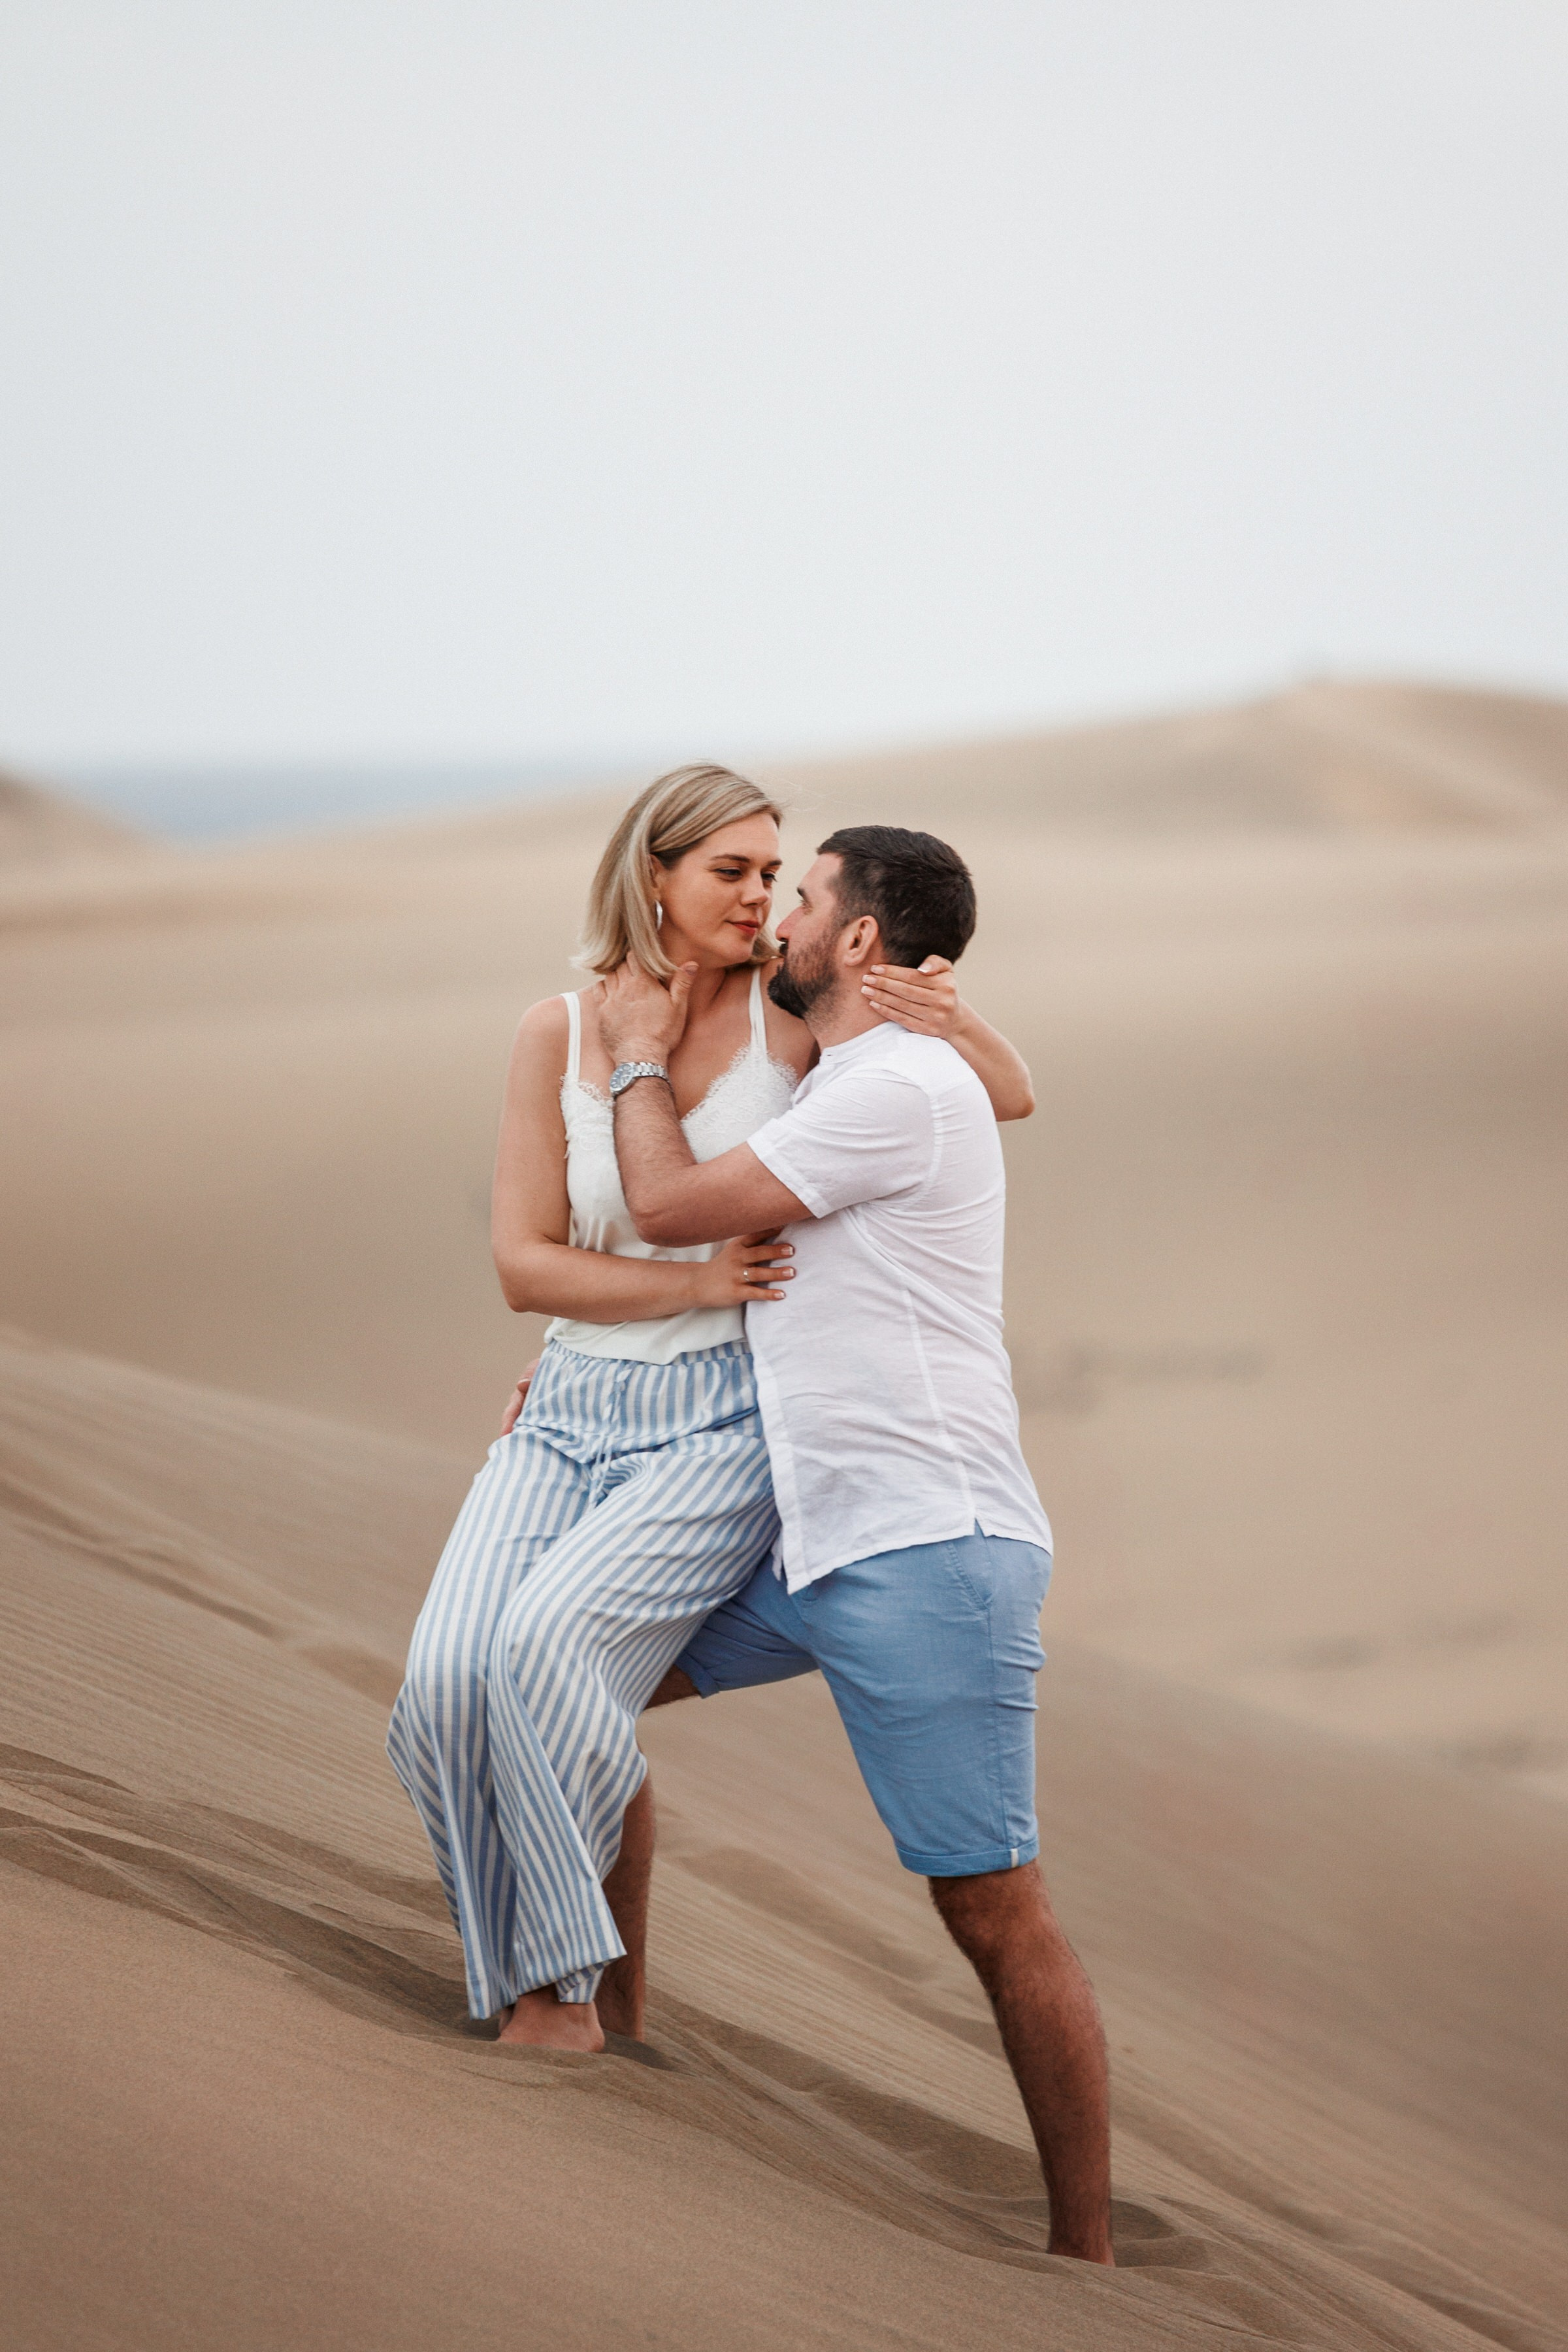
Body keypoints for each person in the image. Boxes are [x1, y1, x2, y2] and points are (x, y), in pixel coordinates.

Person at [386, 768, 1034, 2058]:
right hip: (569, 1399)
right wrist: (671, 1288)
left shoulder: (794, 1019)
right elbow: (526, 1265)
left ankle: (558, 1990)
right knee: (441, 1684)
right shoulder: (553, 1030)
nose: (760, 898)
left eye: (775, 876)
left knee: (552, 1659)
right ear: (655, 877)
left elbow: (992, 1096)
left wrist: (958, 1010)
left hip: (722, 1415)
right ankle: (512, 1965)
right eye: (733, 872)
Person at [596, 824, 1114, 2266]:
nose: (778, 914)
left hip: (928, 1546)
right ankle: (619, 2041)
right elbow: (1008, 1084)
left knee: (991, 1906)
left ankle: (1091, 2262)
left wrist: (637, 1060)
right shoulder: (862, 1058)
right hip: (812, 1538)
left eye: (805, 897)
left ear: (866, 945)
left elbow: (669, 1207)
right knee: (572, 1686)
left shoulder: (891, 1089)